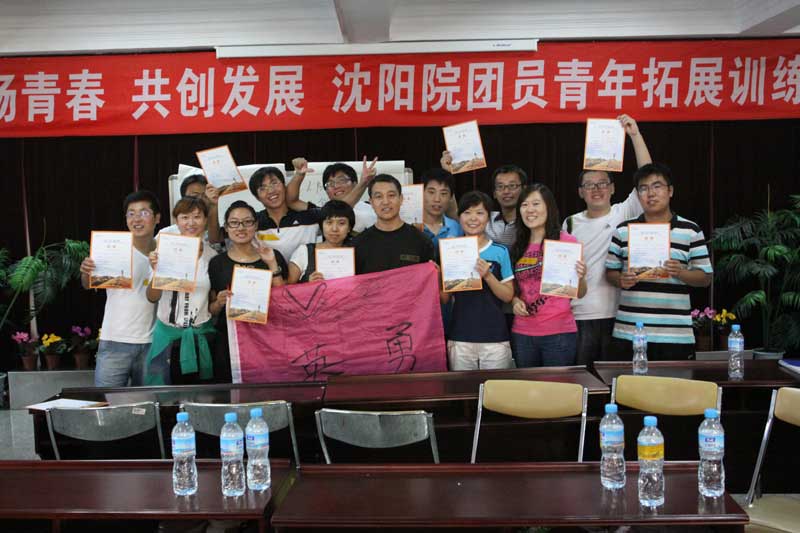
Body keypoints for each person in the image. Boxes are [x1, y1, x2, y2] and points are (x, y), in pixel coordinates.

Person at [562, 114, 652, 365]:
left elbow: (647, 175)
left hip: (619, 316)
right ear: (580, 192)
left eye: (603, 183)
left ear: (612, 188)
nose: (597, 189)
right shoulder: (569, 223)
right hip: (579, 315)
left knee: (616, 380)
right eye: (589, 185)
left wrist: (635, 135)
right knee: (582, 381)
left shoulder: (623, 212)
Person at [605, 163, 713, 361]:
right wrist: (621, 280)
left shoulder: (690, 230)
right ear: (638, 195)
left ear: (670, 191)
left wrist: (681, 272)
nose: (651, 194)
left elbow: (706, 278)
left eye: (657, 186)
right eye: (643, 188)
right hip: (629, 332)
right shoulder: (622, 230)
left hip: (675, 335)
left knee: (674, 383)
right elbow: (610, 272)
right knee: (628, 383)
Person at [79, 190, 161, 387]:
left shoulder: (163, 251)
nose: (136, 219)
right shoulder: (113, 250)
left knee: (148, 402)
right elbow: (87, 284)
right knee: (109, 402)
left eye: (144, 212)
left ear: (157, 218)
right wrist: (86, 271)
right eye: (131, 213)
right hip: (115, 341)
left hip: (153, 342)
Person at [208, 201, 287, 383]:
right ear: (226, 228)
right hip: (230, 342)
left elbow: (284, 299)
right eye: (234, 223)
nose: (241, 228)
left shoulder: (273, 256)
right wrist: (219, 302)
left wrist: (271, 263)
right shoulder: (217, 263)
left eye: (247, 222)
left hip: (268, 339)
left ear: (256, 225)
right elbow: (211, 311)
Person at [511, 184, 587, 367]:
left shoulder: (566, 241)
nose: (530, 210)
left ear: (549, 207)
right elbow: (513, 290)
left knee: (556, 385)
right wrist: (514, 302)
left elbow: (580, 293)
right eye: (524, 205)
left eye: (536, 204)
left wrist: (581, 277)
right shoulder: (518, 246)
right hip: (523, 332)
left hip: (559, 333)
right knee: (525, 386)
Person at [145, 196, 218, 385]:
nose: (191, 223)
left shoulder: (212, 257)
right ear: (176, 221)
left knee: (202, 396)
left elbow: (212, 303)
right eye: (185, 217)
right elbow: (152, 297)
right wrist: (157, 272)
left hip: (200, 337)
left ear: (205, 220)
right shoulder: (162, 252)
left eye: (197, 217)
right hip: (168, 339)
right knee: (168, 397)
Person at [442, 191, 514, 370]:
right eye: (467, 212)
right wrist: (439, 275)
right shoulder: (450, 251)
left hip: (495, 338)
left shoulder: (500, 251)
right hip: (460, 337)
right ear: (459, 217)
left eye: (480, 213)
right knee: (462, 387)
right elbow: (444, 298)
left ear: (488, 218)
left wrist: (488, 276)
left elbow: (508, 296)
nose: (473, 218)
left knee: (495, 388)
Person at [253, 157, 375, 261]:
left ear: (285, 186)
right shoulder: (253, 222)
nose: (270, 190)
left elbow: (340, 210)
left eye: (274, 183)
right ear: (256, 196)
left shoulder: (310, 215)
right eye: (262, 188)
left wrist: (363, 182)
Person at [441, 151, 528, 248]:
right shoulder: (485, 217)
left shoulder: (530, 220)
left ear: (524, 190)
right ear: (494, 193)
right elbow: (454, 214)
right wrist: (447, 174)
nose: (506, 191)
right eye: (500, 186)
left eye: (512, 186)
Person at [354, 174, 434, 274]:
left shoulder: (422, 241)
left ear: (401, 199)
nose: (385, 202)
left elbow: (428, 280)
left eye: (391, 195)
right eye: (378, 196)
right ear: (371, 202)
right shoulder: (358, 244)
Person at [288, 200, 355, 283]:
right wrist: (306, 282)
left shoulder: (357, 253)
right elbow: (287, 287)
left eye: (341, 223)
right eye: (329, 222)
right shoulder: (304, 252)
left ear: (349, 228)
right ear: (321, 226)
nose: (334, 229)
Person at [160, 173, 224, 247]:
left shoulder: (223, 230)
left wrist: (214, 205)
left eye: (205, 196)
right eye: (195, 195)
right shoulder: (167, 234)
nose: (200, 199)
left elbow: (215, 241)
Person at [421, 168, 463, 252]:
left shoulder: (456, 228)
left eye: (443, 193)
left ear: (451, 197)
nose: (437, 199)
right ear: (421, 193)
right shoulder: (410, 227)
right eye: (431, 192)